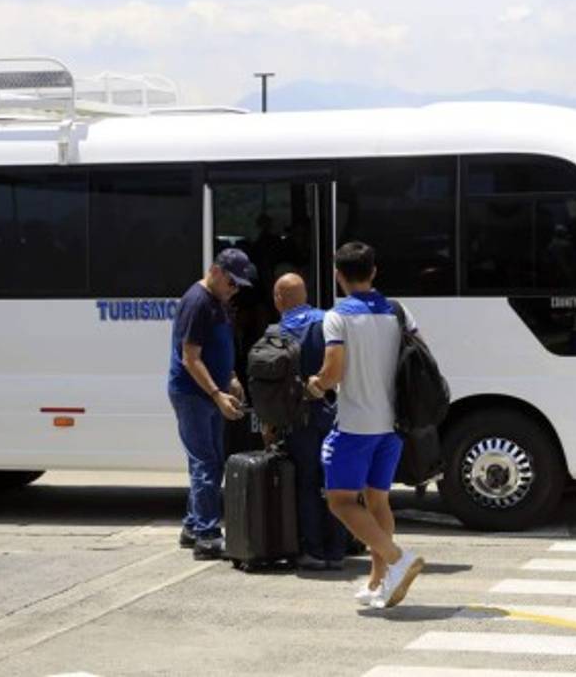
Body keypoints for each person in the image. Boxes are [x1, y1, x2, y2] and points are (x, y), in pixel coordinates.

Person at [306, 242, 425, 609]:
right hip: (394, 424)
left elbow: (333, 371)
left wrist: (316, 384)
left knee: (341, 502)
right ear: (373, 272)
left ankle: (397, 559)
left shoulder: (337, 317)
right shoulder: (398, 311)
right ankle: (378, 582)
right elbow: (418, 357)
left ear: (337, 276)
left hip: (356, 424)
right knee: (377, 500)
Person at [168, 248, 256, 560]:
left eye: (238, 286)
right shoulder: (197, 302)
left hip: (209, 393)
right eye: (232, 283)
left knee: (212, 460)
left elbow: (218, 347)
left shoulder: (218, 301)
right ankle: (206, 535)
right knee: (205, 463)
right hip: (193, 394)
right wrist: (217, 394)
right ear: (216, 272)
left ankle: (193, 526)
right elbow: (190, 358)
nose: (234, 290)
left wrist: (230, 376)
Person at [270, 273, 348, 571]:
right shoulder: (329, 321)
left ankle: (313, 551)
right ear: (305, 294)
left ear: (279, 299)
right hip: (331, 410)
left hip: (298, 417)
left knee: (306, 481)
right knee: (334, 480)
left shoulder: (277, 332)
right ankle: (337, 550)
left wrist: (270, 423)